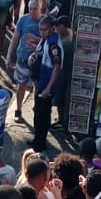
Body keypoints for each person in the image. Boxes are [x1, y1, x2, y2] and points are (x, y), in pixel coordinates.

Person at [30, 13, 64, 153]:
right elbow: (39, 54)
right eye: (40, 29)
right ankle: (37, 139)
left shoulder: (53, 44)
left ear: (51, 29)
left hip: (47, 86)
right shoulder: (45, 40)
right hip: (41, 82)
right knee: (38, 113)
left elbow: (56, 67)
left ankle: (40, 144)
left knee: (43, 116)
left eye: (44, 29)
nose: (42, 32)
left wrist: (48, 88)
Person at [6, 0, 42, 123]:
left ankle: (36, 109)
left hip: (38, 62)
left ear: (40, 9)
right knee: (21, 85)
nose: (32, 12)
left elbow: (48, 42)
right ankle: (18, 109)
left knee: (37, 87)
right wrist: (9, 57)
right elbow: (15, 39)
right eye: (30, 9)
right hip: (23, 59)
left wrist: (36, 43)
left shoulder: (45, 23)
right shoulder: (23, 20)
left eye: (35, 9)